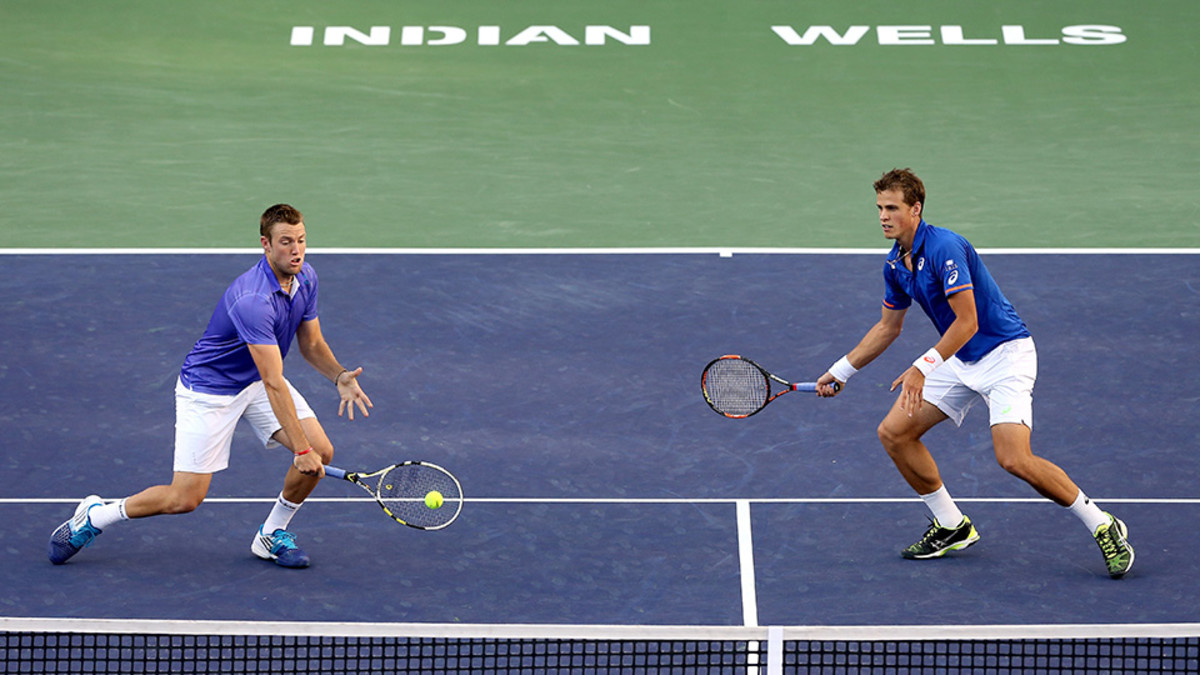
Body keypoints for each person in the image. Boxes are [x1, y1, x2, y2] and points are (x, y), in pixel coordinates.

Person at [815, 169, 1134, 579]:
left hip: (1005, 356)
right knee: (894, 433)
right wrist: (841, 371)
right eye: (879, 208)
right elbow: (887, 327)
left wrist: (921, 367)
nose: (883, 216)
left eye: (892, 208)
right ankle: (951, 525)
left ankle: (1102, 524)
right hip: (959, 360)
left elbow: (967, 321)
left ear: (915, 209)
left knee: (1014, 459)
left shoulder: (946, 247)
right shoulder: (896, 264)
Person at [48, 204, 372, 569]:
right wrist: (300, 450)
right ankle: (95, 516)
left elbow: (310, 344)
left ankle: (270, 535)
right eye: (285, 242)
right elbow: (273, 381)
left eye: (301, 241)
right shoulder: (254, 300)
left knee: (321, 450)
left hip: (254, 381)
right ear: (265, 244)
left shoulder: (306, 278)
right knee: (183, 499)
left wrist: (339, 375)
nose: (296, 250)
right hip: (209, 390)